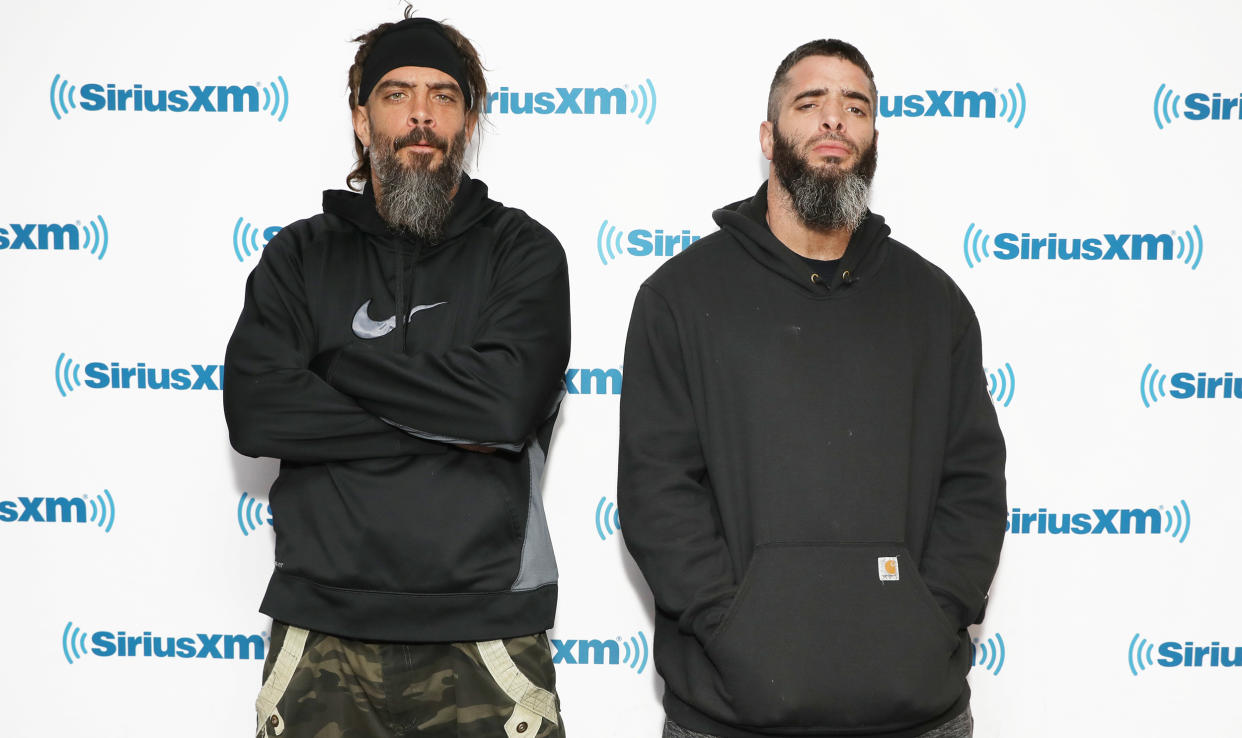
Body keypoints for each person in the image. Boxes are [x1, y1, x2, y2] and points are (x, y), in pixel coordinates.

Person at [618, 39, 1006, 738]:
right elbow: (657, 490)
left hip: (916, 714)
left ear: (873, 138)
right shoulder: (681, 297)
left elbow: (973, 484)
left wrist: (931, 617)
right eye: (811, 103)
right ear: (769, 137)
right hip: (729, 715)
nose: (835, 121)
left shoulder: (933, 303)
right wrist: (732, 629)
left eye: (855, 106)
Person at [223, 13, 570, 738]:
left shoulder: (523, 253)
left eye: (443, 95)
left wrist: (336, 366)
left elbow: (505, 408)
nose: (421, 115)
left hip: (488, 632)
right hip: (320, 631)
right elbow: (256, 412)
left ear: (468, 120)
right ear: (360, 117)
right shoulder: (300, 257)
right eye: (396, 93)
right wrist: (449, 428)